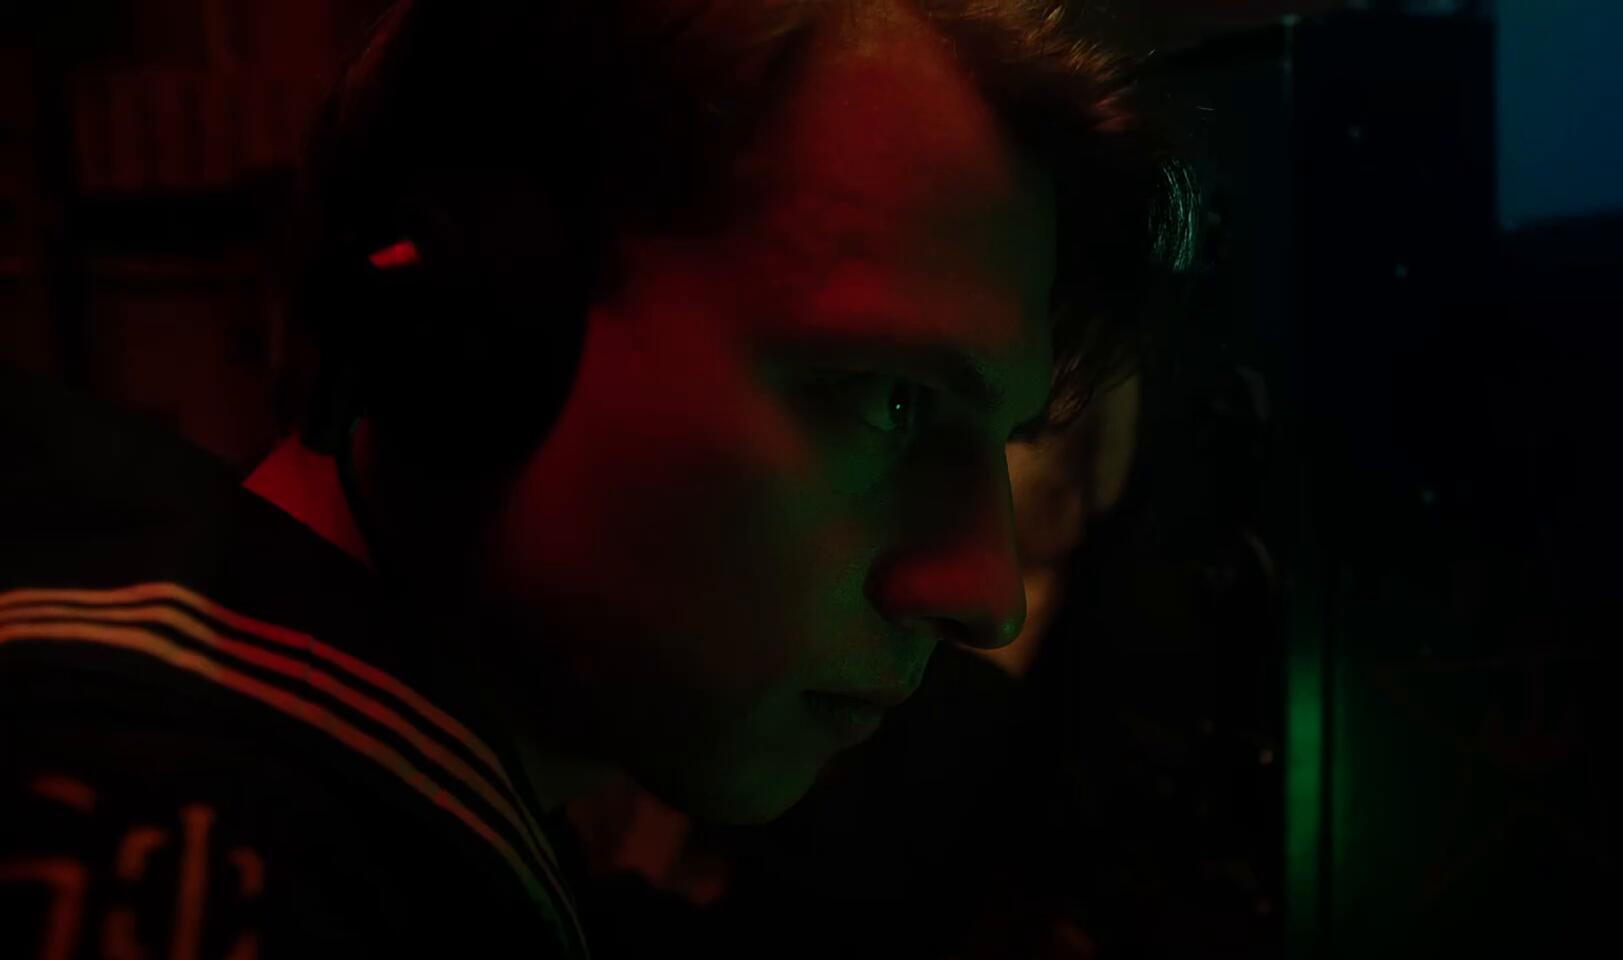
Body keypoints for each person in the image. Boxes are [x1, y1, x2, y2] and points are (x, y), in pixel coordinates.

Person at [0, 0, 1195, 956]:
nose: (987, 591)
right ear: (464, 327)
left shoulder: (381, 814)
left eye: (1006, 440)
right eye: (889, 399)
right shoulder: (182, 855)